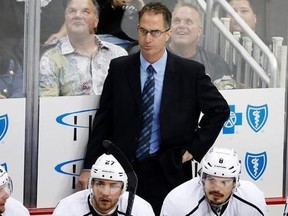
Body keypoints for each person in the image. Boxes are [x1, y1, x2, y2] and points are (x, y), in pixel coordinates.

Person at [78, 2, 230, 214]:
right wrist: (88, 166)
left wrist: (193, 150)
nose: (147, 39)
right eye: (143, 31)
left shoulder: (190, 72)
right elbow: (104, 119)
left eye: (155, 32)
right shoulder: (120, 68)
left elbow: (220, 110)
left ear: (167, 34)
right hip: (122, 168)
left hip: (169, 169)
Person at [39, 0, 127, 97]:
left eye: (85, 11)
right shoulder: (50, 60)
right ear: (65, 19)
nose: (78, 16)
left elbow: (126, 100)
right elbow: (48, 107)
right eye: (72, 11)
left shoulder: (118, 55)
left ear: (96, 21)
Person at [160, 147, 267, 216]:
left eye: (224, 182)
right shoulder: (178, 202)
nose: (216, 188)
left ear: (235, 183)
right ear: (202, 179)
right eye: (211, 179)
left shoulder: (252, 200)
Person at [168, 2, 241, 90]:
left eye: (188, 22)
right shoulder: (154, 58)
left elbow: (227, 99)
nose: (181, 25)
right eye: (177, 21)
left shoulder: (216, 64)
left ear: (199, 31)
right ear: (169, 28)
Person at [53, 153, 155, 215]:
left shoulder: (140, 209)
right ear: (91, 185)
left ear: (123, 189)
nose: (106, 193)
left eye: (113, 186)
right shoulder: (68, 208)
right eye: (100, 184)